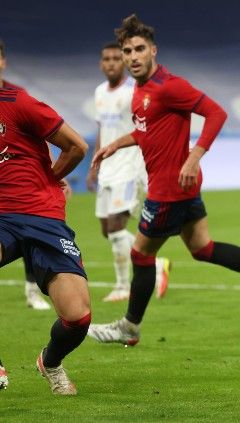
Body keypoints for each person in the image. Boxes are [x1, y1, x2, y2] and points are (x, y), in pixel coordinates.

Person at [87, 15, 240, 347]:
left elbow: (217, 113)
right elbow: (148, 131)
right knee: (203, 248)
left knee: (140, 255)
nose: (132, 56)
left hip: (170, 188)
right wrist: (115, 144)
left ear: (153, 50)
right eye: (127, 50)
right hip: (181, 185)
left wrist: (194, 155)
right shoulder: (141, 89)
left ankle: (129, 327)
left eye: (139, 49)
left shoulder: (170, 86)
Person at [0, 86, 92, 395]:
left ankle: (50, 362)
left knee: (78, 316)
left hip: (43, 215)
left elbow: (77, 146)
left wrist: (49, 180)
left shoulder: (19, 102)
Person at [86, 41, 170, 302]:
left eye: (115, 58)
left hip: (130, 166)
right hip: (108, 166)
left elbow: (146, 126)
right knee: (106, 230)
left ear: (122, 62)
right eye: (106, 59)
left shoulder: (134, 91)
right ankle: (156, 263)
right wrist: (95, 162)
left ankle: (123, 286)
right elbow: (102, 128)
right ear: (101, 64)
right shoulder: (100, 92)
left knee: (115, 228)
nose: (111, 62)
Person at [0, 37, 57, 310]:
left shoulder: (17, 98)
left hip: (16, 190)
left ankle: (32, 290)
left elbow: (39, 138)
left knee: (23, 229)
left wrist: (48, 170)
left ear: (2, 61)